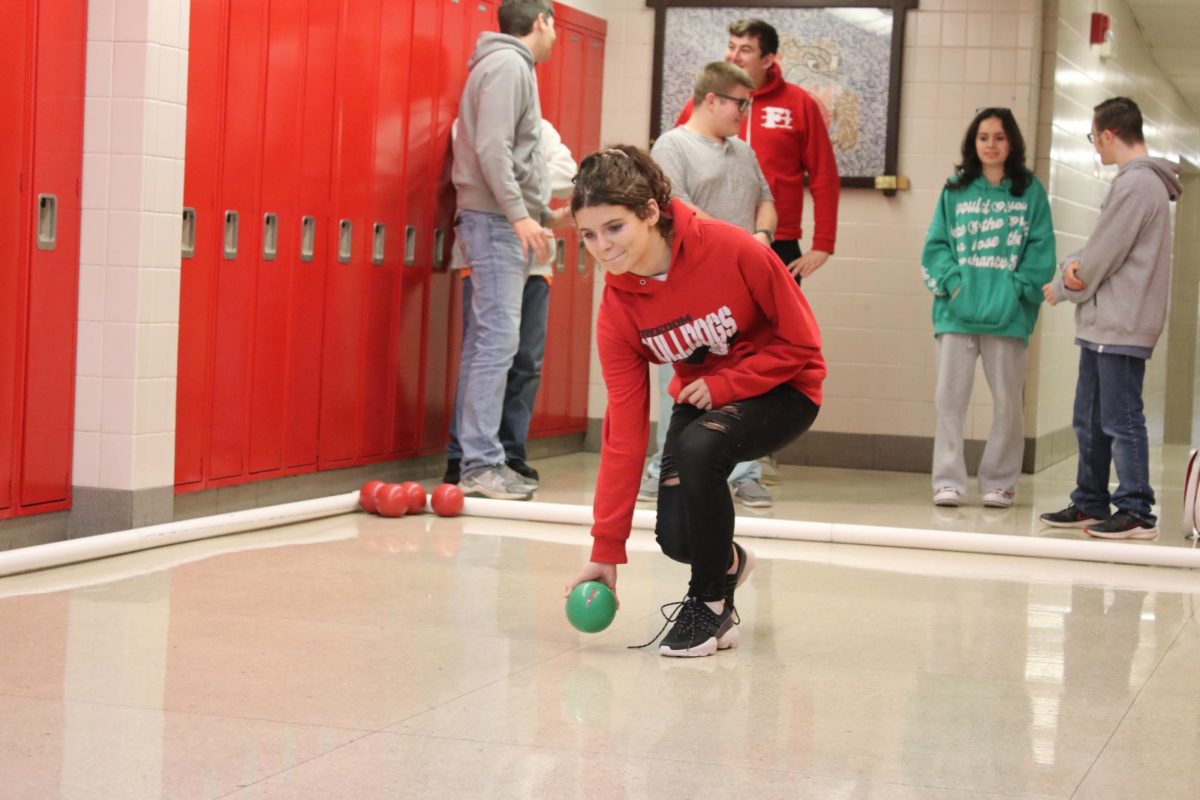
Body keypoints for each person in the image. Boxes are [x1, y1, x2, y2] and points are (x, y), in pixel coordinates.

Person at [563, 146, 825, 657]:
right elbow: (625, 431)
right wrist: (605, 549)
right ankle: (725, 563)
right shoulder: (618, 311)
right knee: (680, 540)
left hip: (786, 387)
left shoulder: (733, 249)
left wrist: (729, 385)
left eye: (613, 228)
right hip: (706, 397)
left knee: (699, 448)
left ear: (651, 212)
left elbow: (803, 345)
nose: (602, 247)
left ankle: (711, 606)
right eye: (588, 235)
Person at [1040, 97, 1183, 540]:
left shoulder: (1138, 185)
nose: (1095, 148)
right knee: (1089, 418)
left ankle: (1136, 508)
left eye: (1093, 138)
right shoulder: (1133, 183)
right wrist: (1074, 265)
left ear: (1107, 135)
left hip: (1122, 323)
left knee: (1121, 420)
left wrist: (1062, 284)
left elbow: (1098, 259)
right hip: (1104, 326)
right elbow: (1096, 250)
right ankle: (1090, 500)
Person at [640, 61, 778, 508]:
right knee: (685, 379)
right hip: (690, 287)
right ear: (713, 99)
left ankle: (744, 472)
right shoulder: (673, 146)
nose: (746, 112)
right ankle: (668, 466)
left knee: (746, 378)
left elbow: (766, 201)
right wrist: (739, 243)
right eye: (741, 103)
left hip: (744, 286)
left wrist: (761, 238)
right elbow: (680, 212)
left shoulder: (744, 152)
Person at [451, 0, 567, 500]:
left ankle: (478, 460)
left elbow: (515, 157)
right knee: (496, 345)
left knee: (488, 345)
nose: (557, 33)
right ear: (541, 21)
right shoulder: (507, 65)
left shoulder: (509, 66)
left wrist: (541, 213)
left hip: (504, 218)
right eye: (555, 24)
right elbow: (494, 148)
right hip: (495, 221)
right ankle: (480, 464)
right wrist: (520, 215)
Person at [919, 108, 1056, 509]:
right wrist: (955, 286)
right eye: (983, 137)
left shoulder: (1030, 191)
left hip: (1009, 316)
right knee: (949, 400)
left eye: (999, 137)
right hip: (955, 313)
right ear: (973, 143)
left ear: (1011, 142)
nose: (991, 145)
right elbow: (936, 245)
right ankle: (948, 481)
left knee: (1008, 402)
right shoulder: (955, 188)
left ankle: (999, 482)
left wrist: (1014, 290)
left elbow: (1041, 250)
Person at [444, 119, 577, 487]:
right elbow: (488, 172)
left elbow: (568, 171)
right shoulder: (474, 123)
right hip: (488, 252)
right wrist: (533, 177)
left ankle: (510, 453)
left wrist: (525, 179)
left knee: (526, 362)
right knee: (486, 355)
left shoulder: (542, 128)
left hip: (536, 259)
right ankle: (464, 454)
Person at [676, 18, 839, 284]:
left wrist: (823, 243)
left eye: (746, 49)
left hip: (777, 239)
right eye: (731, 46)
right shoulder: (706, 103)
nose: (734, 56)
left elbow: (824, 176)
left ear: (768, 59)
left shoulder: (800, 104)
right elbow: (675, 167)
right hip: (712, 237)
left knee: (775, 324)